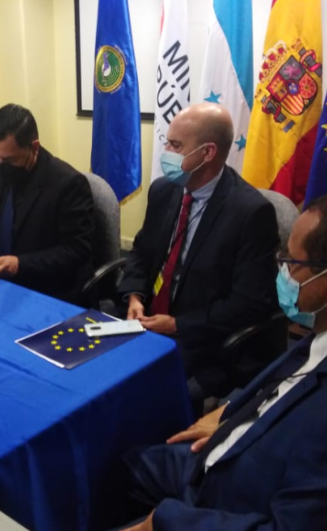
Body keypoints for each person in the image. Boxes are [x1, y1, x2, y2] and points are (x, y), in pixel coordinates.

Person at [95, 189, 327, 531]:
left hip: (233, 504)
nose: (282, 269)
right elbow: (298, 369)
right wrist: (234, 412)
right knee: (108, 468)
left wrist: (169, 523)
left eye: (291, 261)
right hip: (234, 449)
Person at [118, 103, 280, 396]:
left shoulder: (251, 213)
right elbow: (141, 251)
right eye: (167, 141)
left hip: (201, 336)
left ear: (207, 153)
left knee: (140, 391)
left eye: (176, 145)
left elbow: (250, 303)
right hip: (146, 318)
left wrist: (177, 324)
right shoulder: (164, 190)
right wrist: (134, 296)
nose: (166, 151)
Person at [0, 104, 94, 304]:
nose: (1, 165)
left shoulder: (67, 184)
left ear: (34, 147)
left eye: (10, 160)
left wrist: (19, 263)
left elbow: (76, 251)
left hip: (43, 289)